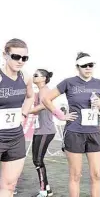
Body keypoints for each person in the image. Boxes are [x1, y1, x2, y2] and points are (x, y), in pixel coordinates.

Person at [42, 52, 100, 197]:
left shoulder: (99, 83)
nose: (88, 68)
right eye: (84, 65)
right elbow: (46, 99)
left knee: (96, 175)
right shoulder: (68, 82)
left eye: (91, 65)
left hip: (94, 132)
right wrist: (61, 115)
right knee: (75, 175)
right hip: (74, 132)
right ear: (77, 67)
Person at [0, 38, 34, 197]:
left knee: (10, 185)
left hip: (15, 137)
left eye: (24, 58)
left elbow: (30, 97)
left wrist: (23, 114)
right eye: (16, 57)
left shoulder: (25, 77)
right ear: (4, 55)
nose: (20, 61)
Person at [28, 69, 56, 197]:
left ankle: (44, 190)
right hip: (40, 130)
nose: (33, 77)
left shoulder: (45, 90)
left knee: (37, 161)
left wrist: (28, 111)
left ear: (43, 78)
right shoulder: (39, 92)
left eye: (36, 75)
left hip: (46, 130)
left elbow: (44, 105)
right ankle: (47, 188)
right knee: (37, 160)